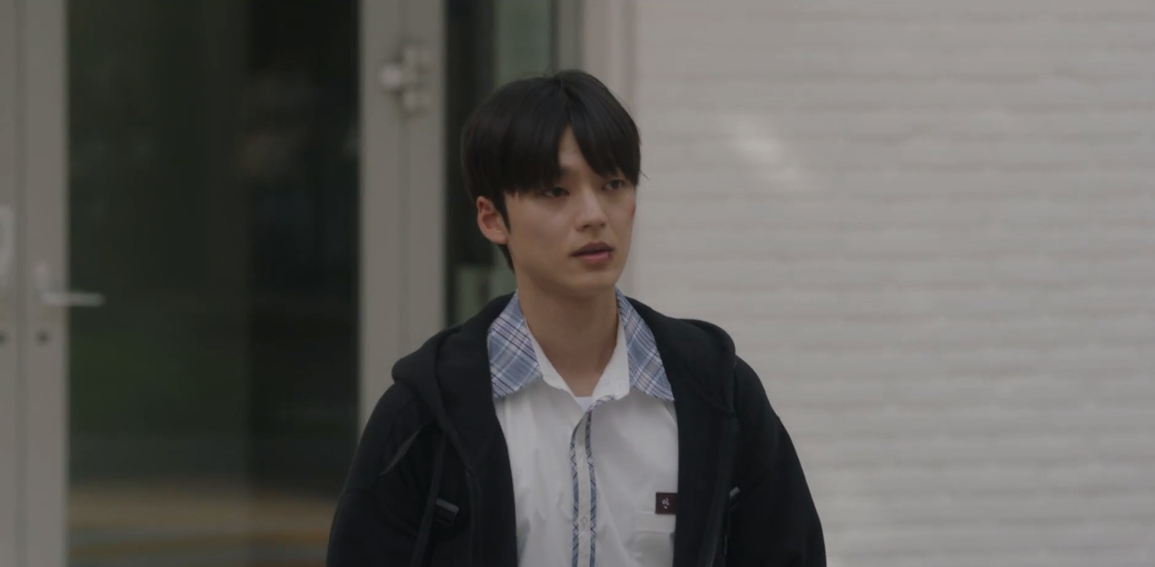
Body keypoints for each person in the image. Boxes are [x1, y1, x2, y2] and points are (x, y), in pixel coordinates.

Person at [326, 70, 825, 567]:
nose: (594, 215)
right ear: (492, 218)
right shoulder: (424, 415)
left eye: (613, 184)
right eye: (554, 191)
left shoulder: (718, 394)